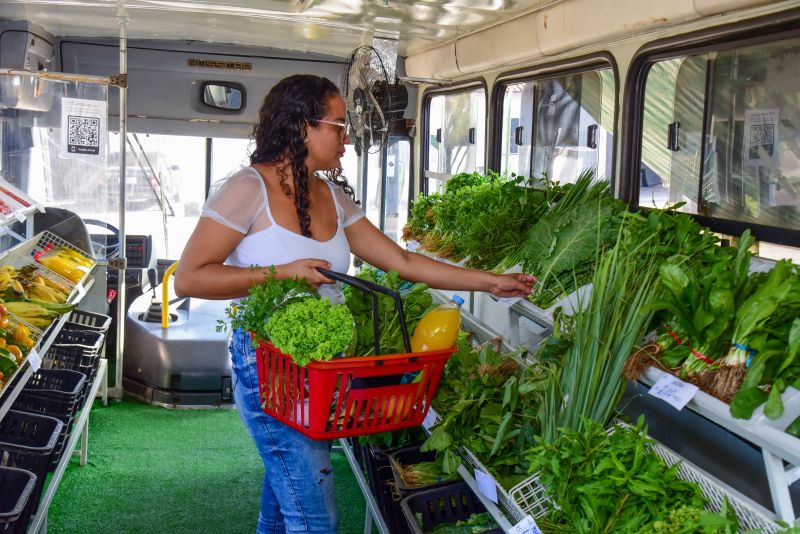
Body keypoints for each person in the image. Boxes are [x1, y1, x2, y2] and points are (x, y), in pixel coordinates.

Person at [173, 74, 535, 534]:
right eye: (339, 126)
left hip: (322, 371)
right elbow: (190, 277)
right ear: (304, 126)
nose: (348, 139)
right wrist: (284, 273)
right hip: (270, 369)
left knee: (286, 500)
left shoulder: (332, 196)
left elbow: (401, 260)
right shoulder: (248, 189)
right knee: (314, 518)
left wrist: (489, 283)